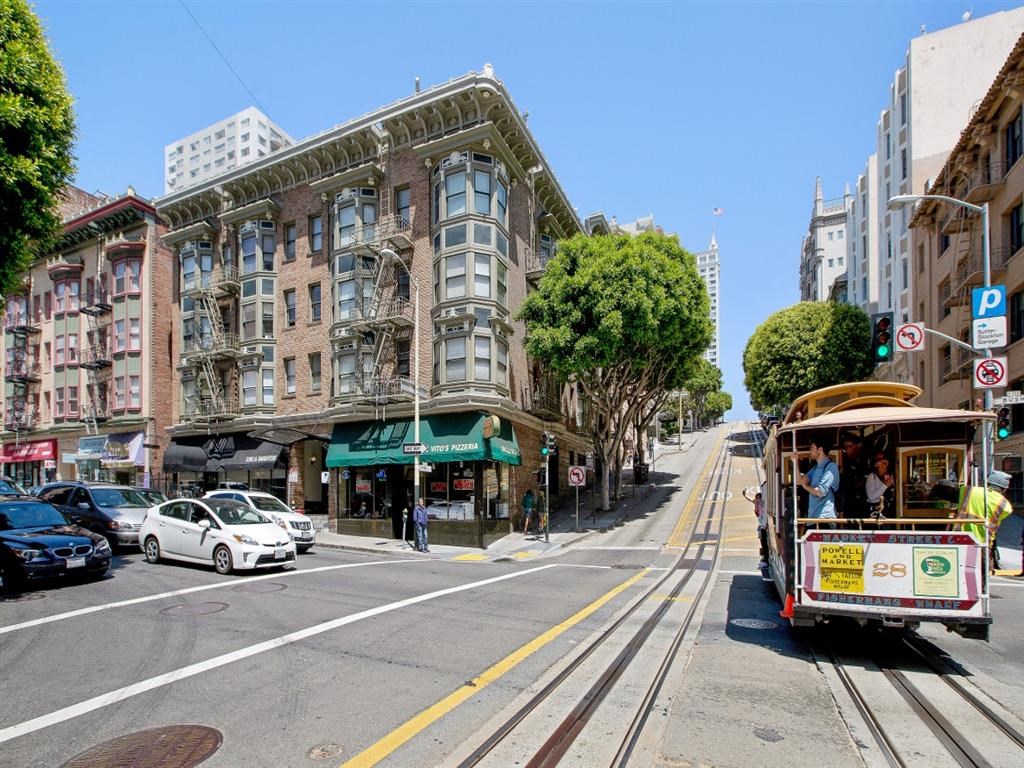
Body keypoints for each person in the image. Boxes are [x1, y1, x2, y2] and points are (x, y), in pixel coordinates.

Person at [958, 471, 1013, 573]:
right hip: (983, 542)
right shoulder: (1006, 506)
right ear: (1004, 489)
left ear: (987, 482)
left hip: (960, 537)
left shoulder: (967, 490)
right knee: (980, 575)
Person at [798, 435, 839, 524]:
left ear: (820, 450)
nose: (810, 451)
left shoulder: (831, 467)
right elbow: (801, 481)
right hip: (812, 518)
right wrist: (794, 463)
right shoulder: (815, 469)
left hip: (825, 518)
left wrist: (805, 486)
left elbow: (820, 492)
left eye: (812, 448)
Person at [838, 432, 867, 519]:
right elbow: (849, 482)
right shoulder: (843, 461)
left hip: (858, 499)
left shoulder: (859, 461)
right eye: (853, 447)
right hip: (846, 498)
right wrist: (864, 478)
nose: (855, 450)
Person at [743, 485, 768, 565]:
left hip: (764, 525)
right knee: (762, 541)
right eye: (757, 498)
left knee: (764, 542)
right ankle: (764, 557)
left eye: (759, 498)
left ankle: (765, 558)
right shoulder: (757, 504)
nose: (758, 500)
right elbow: (750, 499)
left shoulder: (763, 504)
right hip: (761, 525)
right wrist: (745, 495)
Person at [865, 453, 895, 518]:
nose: (883, 461)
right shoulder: (871, 477)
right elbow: (871, 497)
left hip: (889, 510)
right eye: (879, 459)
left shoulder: (890, 475)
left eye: (884, 458)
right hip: (875, 511)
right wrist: (886, 485)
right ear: (875, 464)